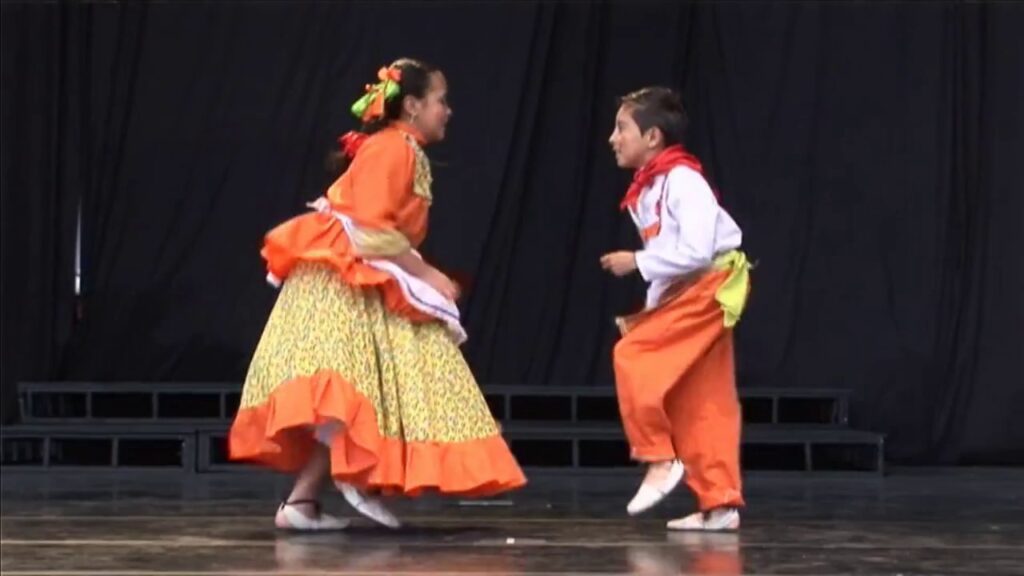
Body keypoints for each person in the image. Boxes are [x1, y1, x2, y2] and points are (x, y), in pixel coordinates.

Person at [229, 58, 526, 531]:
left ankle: (306, 501)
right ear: (412, 105)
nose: (447, 111)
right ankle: (333, 487)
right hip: (346, 277)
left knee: (377, 386)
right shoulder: (397, 149)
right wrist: (426, 273)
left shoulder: (397, 146)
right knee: (367, 387)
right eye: (440, 101)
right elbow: (369, 230)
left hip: (352, 273)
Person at [601, 86, 751, 531]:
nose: (613, 137)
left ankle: (659, 458)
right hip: (692, 289)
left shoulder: (683, 180)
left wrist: (637, 262)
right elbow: (673, 260)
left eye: (622, 128)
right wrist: (653, 302)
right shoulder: (651, 187)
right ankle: (719, 502)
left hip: (710, 285)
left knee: (634, 355)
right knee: (701, 397)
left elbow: (699, 250)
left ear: (653, 137)